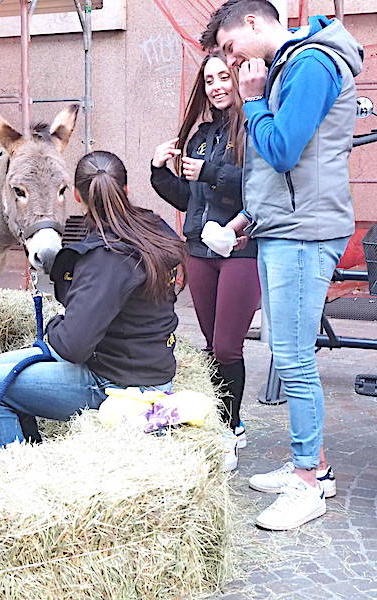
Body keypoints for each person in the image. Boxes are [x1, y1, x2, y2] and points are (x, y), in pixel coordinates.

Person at [200, 0, 363, 530]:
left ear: (252, 22)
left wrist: (252, 101)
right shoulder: (293, 65)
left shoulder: (312, 64)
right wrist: (246, 220)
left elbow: (284, 150)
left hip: (304, 233)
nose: (230, 59)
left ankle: (307, 484)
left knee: (292, 359)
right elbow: (283, 173)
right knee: (287, 352)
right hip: (284, 228)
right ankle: (310, 466)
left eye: (229, 46)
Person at [0, 151, 186, 451]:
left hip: (120, 385)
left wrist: (54, 325)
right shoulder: (152, 227)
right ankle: (31, 448)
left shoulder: (106, 258)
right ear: (126, 190)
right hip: (140, 364)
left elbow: (72, 346)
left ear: (75, 195)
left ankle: (14, 474)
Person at [150, 52, 260, 473]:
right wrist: (160, 173)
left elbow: (258, 191)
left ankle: (231, 429)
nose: (216, 86)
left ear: (239, 79)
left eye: (224, 77)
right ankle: (224, 421)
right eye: (210, 79)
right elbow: (189, 199)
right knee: (213, 346)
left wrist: (210, 172)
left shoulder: (254, 127)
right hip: (199, 249)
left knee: (229, 346)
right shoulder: (199, 136)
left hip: (241, 249)